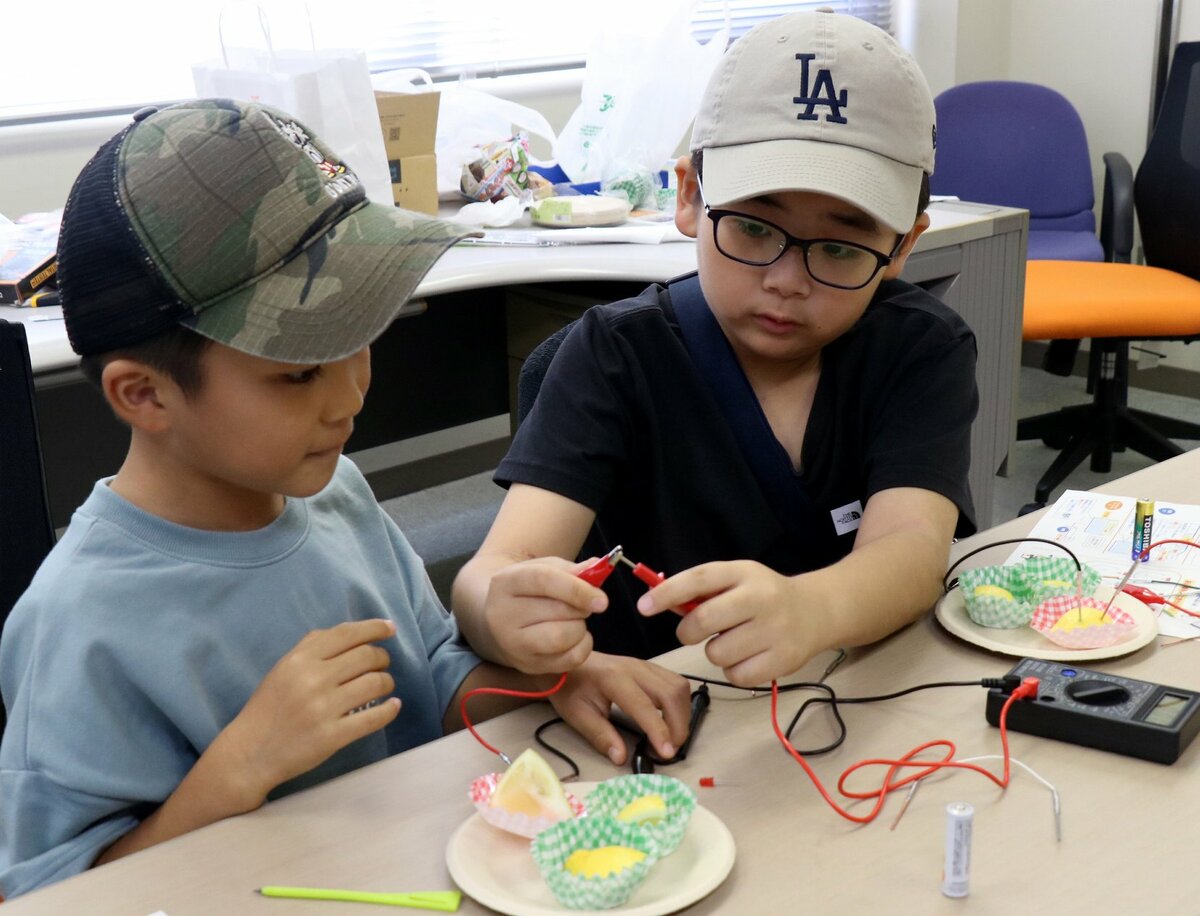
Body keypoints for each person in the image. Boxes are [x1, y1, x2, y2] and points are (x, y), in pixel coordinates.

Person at [0, 99, 690, 900]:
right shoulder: (79, 625)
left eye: (361, 334)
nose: (353, 392)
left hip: (412, 870)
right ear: (144, 396)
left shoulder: (334, 493)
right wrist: (237, 771)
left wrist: (551, 687)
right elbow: (53, 893)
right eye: (298, 371)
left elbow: (430, 670)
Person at [453, 10, 978, 688]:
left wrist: (812, 608)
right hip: (659, 726)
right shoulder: (614, 358)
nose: (787, 282)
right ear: (692, 197)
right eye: (756, 230)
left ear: (903, 246)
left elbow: (911, 552)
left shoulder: (919, 350)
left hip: (855, 698)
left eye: (842, 248)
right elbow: (489, 575)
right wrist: (497, 612)